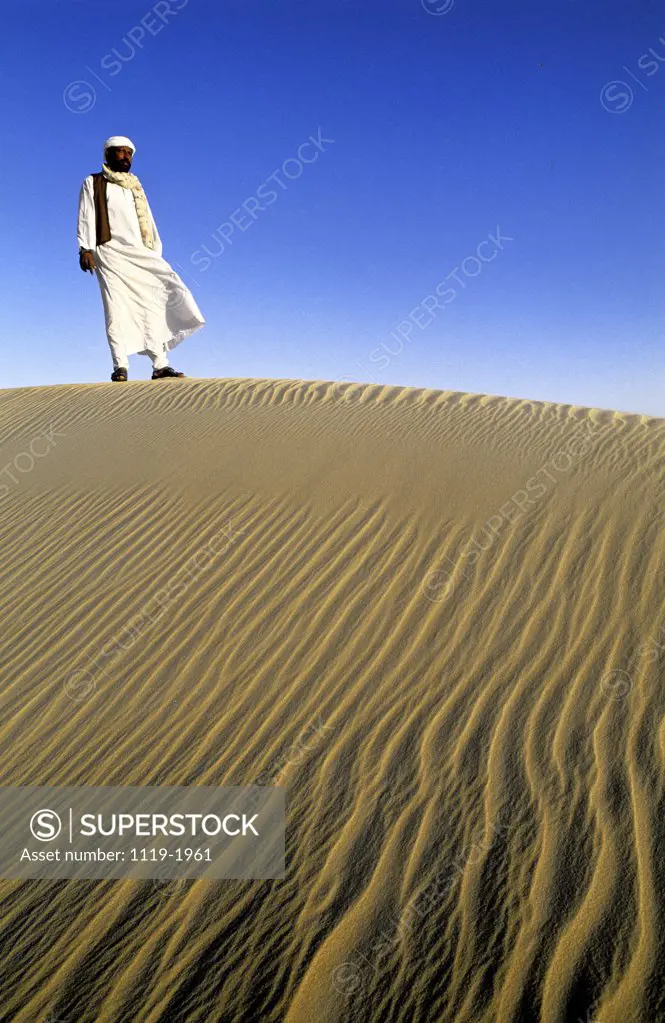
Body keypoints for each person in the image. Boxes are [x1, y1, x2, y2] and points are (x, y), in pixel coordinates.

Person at [77, 135, 205, 381]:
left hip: (141, 252)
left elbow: (149, 221)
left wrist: (155, 252)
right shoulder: (93, 182)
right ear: (108, 155)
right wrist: (85, 248)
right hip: (110, 252)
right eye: (120, 152)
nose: (126, 157)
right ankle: (120, 365)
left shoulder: (135, 186)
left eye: (129, 153)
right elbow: (86, 214)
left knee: (154, 301)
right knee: (116, 308)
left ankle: (160, 365)